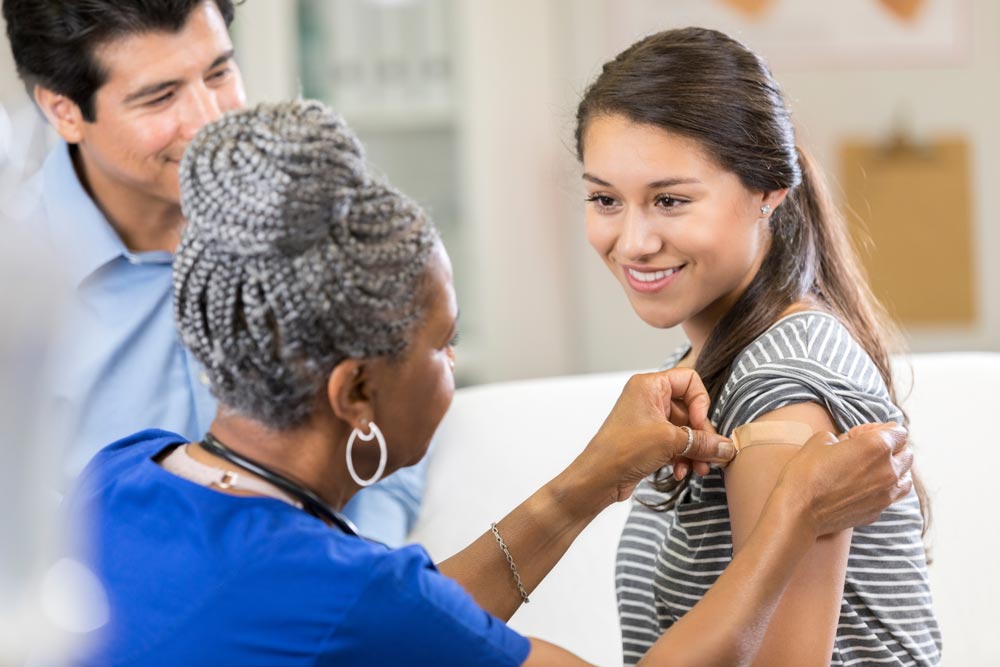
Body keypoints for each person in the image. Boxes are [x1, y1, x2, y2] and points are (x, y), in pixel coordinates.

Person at [60, 99, 915, 667]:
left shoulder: (123, 470)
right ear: (356, 394)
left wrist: (592, 479)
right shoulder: (348, 596)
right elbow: (390, 618)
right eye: (444, 345)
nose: (453, 368)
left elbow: (408, 622)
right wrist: (795, 513)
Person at [574, 27, 941, 666]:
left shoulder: (780, 383)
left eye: (670, 200)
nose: (632, 242)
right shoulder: (705, 367)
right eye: (605, 199)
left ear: (768, 191)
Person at [1, 0, 423, 545]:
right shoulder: (19, 288)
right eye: (160, 97)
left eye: (219, 72)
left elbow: (396, 402)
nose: (210, 120)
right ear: (63, 111)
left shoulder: (301, 206)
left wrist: (362, 557)